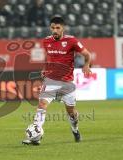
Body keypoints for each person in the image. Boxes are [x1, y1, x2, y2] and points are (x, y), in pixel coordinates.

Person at [22, 16, 92, 145]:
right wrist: (45, 69)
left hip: (67, 83)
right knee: (42, 105)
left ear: (63, 28)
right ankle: (35, 137)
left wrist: (86, 65)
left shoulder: (71, 41)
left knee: (71, 112)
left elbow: (87, 54)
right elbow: (51, 58)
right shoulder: (46, 41)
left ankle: (75, 129)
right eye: (53, 27)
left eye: (57, 28)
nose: (55, 30)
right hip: (50, 81)